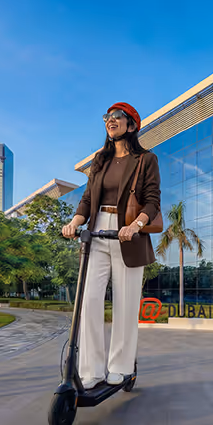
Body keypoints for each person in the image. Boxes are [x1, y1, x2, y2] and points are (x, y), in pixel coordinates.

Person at [62, 103, 160, 387]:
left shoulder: (145, 159)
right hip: (97, 233)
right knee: (89, 301)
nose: (110, 121)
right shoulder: (99, 161)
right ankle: (90, 370)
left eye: (117, 117)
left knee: (126, 304)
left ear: (131, 125)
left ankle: (121, 366)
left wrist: (135, 226)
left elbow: (153, 200)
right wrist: (75, 222)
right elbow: (87, 200)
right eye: (107, 117)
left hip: (129, 234)